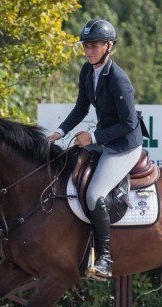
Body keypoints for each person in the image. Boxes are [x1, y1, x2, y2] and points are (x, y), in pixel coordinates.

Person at [48, 19, 143, 280]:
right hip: (103, 140)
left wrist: (92, 136)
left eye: (94, 46)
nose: (88, 51)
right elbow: (81, 108)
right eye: (86, 46)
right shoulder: (87, 71)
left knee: (93, 194)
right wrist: (61, 131)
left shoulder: (118, 80)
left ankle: (105, 260)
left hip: (123, 146)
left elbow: (128, 123)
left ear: (109, 47)